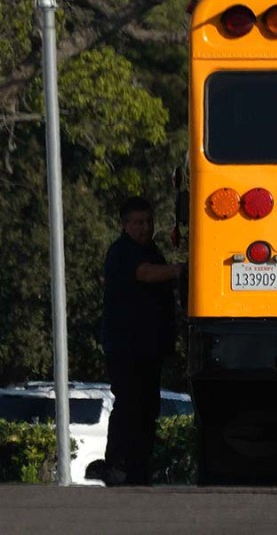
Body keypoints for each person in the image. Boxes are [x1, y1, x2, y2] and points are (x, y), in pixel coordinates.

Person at [101, 196, 184, 486]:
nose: (144, 227)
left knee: (147, 409)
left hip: (150, 346)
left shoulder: (152, 250)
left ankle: (138, 470)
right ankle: (118, 469)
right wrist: (180, 270)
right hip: (126, 346)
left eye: (148, 222)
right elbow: (145, 274)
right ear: (124, 225)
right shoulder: (123, 252)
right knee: (129, 407)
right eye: (138, 222)